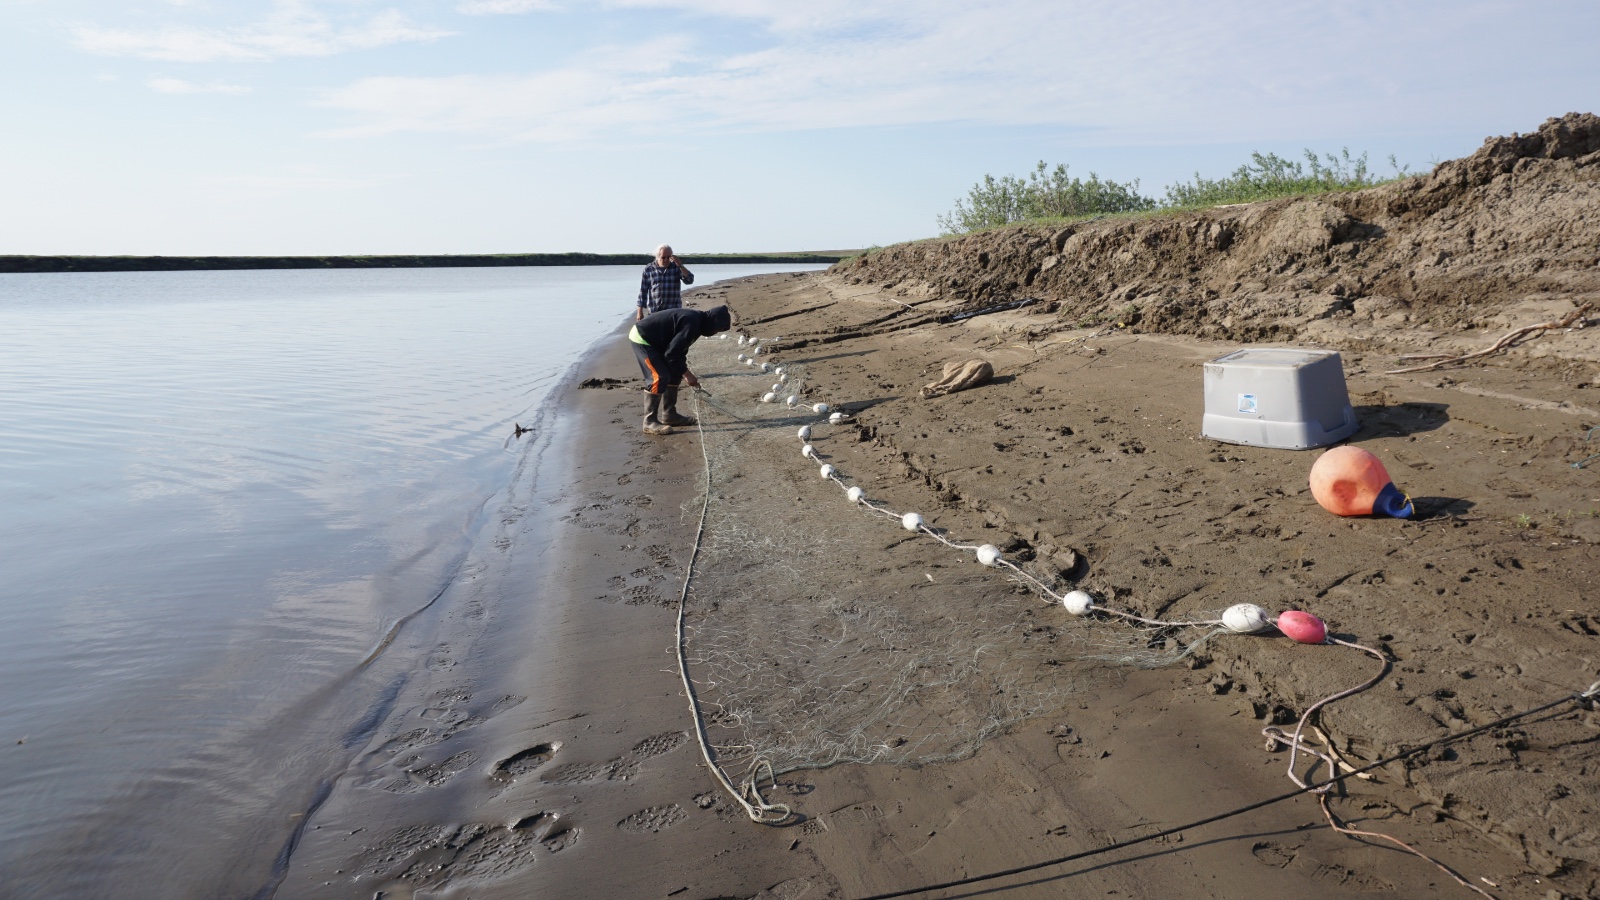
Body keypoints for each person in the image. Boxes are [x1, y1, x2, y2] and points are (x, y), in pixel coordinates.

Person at [629, 304, 732, 435]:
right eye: (717, 329)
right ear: (713, 322)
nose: (714, 333)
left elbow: (679, 351)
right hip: (643, 337)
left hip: (659, 341)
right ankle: (649, 421)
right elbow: (671, 354)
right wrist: (687, 374)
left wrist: (682, 371)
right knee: (659, 377)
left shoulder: (698, 323)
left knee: (675, 372)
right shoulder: (693, 323)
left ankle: (669, 415)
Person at [637, 244, 694, 319]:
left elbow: (689, 280)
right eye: (663, 257)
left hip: (673, 312)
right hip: (655, 312)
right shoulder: (649, 269)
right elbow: (643, 291)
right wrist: (639, 312)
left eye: (669, 257)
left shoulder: (676, 267)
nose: (666, 260)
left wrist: (680, 265)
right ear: (658, 256)